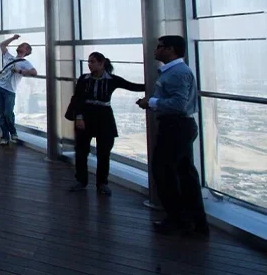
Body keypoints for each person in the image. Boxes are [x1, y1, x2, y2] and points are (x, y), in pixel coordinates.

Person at [136, 35, 208, 237]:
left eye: (159, 47)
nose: (155, 50)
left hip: (176, 127)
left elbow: (178, 104)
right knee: (184, 175)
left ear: (170, 50)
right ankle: (194, 223)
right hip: (178, 127)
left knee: (164, 172)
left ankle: (179, 220)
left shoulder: (176, 73)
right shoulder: (176, 71)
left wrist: (151, 103)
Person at [68, 52, 145, 195]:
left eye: (92, 61)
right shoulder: (84, 79)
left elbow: (132, 86)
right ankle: (81, 180)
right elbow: (77, 98)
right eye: (89, 62)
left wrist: (153, 85)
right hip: (87, 116)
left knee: (103, 152)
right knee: (81, 150)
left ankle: (102, 183)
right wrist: (79, 117)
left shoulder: (112, 79)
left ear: (101, 63)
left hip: (103, 117)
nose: (89, 64)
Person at [0, 34, 38, 146]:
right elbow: (2, 45)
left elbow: (34, 73)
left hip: (10, 90)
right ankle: (5, 136)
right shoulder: (9, 57)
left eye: (22, 45)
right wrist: (13, 38)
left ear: (26, 50)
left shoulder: (24, 63)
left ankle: (13, 132)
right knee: (1, 114)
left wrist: (20, 71)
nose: (19, 45)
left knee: (8, 113)